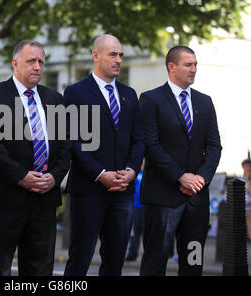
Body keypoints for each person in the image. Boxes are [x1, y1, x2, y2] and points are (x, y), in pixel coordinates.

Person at [0, 40, 70, 276]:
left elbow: (66, 146)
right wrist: (21, 176)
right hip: (4, 197)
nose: (37, 67)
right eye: (31, 61)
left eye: (41, 62)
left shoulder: (55, 99)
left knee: (40, 270)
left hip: (43, 200)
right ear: (15, 63)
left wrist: (54, 178)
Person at [63, 34, 144, 276]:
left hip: (122, 191)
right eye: (113, 54)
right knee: (80, 259)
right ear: (95, 55)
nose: (118, 60)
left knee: (115, 261)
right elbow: (69, 140)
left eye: (120, 55)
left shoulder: (130, 94)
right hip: (88, 191)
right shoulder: (74, 92)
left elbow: (138, 139)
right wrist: (100, 174)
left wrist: (131, 171)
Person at [139, 45, 222, 276]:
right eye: (188, 64)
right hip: (162, 199)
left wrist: (200, 178)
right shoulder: (151, 100)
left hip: (196, 201)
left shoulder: (205, 102)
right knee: (156, 261)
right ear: (171, 67)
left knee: (193, 262)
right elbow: (151, 145)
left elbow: (214, 146)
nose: (194, 69)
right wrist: (180, 176)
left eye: (195, 64)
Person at [125, 159, 144, 261]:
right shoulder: (135, 174)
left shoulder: (147, 174)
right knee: (134, 233)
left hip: (145, 207)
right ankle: (132, 254)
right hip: (135, 207)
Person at [240, 159, 251, 240]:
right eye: (246, 166)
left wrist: (248, 179)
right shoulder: (240, 179)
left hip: (249, 209)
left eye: (249, 166)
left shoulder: (248, 180)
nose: (248, 168)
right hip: (239, 208)